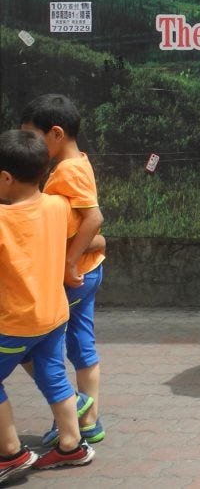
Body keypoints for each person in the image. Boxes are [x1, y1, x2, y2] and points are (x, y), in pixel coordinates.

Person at [0, 129, 94, 479]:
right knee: (52, 373)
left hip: (15, 322)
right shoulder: (57, 206)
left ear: (6, 178)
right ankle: (72, 444)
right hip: (54, 315)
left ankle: (10, 453)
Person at [19, 94, 106, 447]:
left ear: (56, 134)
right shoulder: (77, 163)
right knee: (82, 347)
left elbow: (94, 218)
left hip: (75, 275)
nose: (29, 146)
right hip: (90, 269)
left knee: (34, 348)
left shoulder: (68, 170)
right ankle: (89, 422)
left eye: (32, 137)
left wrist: (69, 264)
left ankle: (73, 405)